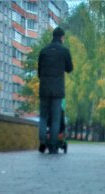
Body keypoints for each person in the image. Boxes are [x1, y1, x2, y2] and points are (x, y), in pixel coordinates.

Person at [38, 26, 73, 154]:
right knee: (56, 118)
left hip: (44, 88)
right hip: (58, 90)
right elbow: (70, 68)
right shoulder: (64, 51)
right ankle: (53, 145)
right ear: (62, 38)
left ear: (53, 37)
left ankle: (42, 140)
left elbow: (39, 71)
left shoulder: (43, 51)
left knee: (43, 116)